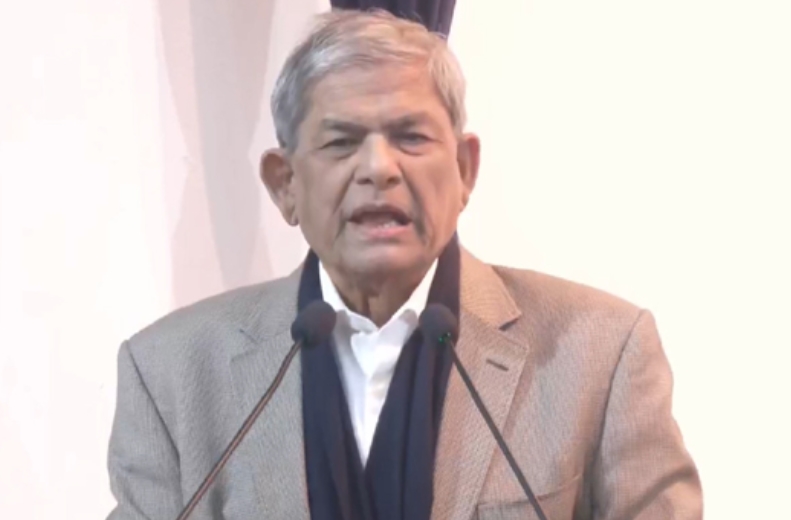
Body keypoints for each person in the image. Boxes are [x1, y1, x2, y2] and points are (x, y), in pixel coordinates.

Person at [106, 9, 702, 520]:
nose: (379, 169)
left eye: (411, 138)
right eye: (341, 142)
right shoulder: (170, 375)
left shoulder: (600, 353)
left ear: (464, 170)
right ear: (285, 184)